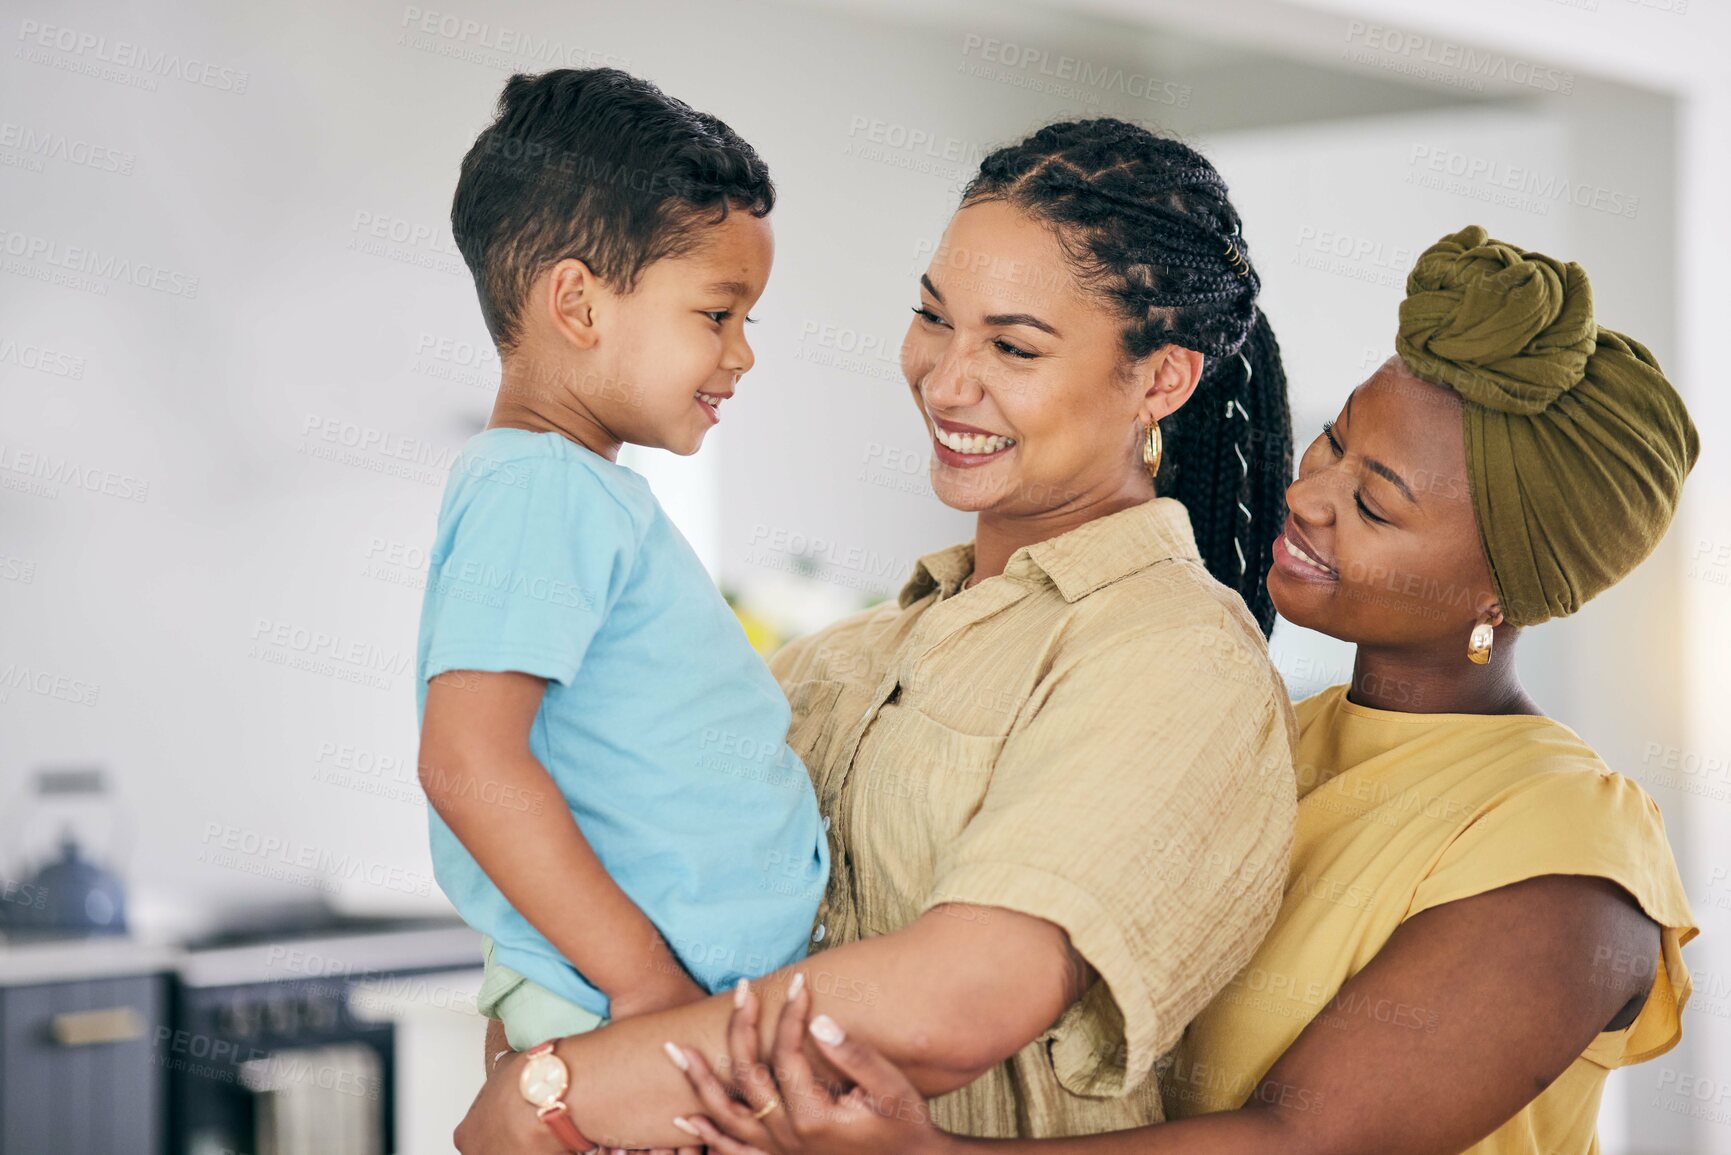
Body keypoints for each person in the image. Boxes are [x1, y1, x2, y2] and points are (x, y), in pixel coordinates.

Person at [666, 226, 1700, 1155]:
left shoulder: (1567, 852)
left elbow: (1300, 1144)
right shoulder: (1244, 724)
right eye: (1335, 441)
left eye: (1375, 504)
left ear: (1499, 590)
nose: (1305, 495)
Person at [452, 118, 1300, 1153]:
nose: (946, 379)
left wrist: (559, 1090)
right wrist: (536, 1036)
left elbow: (957, 1003)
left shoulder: (1174, 655)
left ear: (1162, 381)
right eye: (933, 319)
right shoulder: (835, 663)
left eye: (1014, 345)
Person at [415, 65, 827, 1152]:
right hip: (628, 1017)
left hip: (658, 1012)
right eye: (717, 313)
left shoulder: (571, 489)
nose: (741, 352)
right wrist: (647, 995)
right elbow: (468, 761)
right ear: (580, 304)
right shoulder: (541, 489)